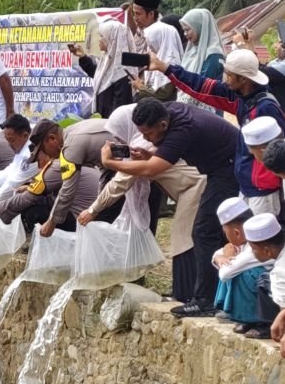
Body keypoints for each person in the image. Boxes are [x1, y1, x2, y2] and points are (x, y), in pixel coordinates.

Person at [100, 98, 240, 317]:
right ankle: (221, 294)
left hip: (229, 168)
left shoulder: (182, 129)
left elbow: (149, 170)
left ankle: (205, 301)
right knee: (217, 231)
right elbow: (159, 159)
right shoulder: (168, 113)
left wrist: (110, 163)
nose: (145, 139)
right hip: (219, 168)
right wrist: (150, 155)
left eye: (148, 135)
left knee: (203, 231)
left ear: (162, 125)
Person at [78, 103, 205, 303]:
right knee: (193, 238)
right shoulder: (146, 143)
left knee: (183, 239)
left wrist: (93, 210)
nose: (118, 141)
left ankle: (186, 295)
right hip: (190, 187)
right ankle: (192, 292)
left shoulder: (143, 142)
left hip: (194, 188)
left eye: (119, 135)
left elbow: (119, 183)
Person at [149, 48, 285, 215]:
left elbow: (279, 151)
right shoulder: (240, 97)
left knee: (262, 237)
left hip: (264, 189)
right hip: (247, 183)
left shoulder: (266, 107)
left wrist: (267, 181)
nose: (224, 78)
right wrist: (166, 68)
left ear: (243, 79)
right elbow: (203, 86)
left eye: (228, 74)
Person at [0, 150, 100, 233]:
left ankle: (38, 240)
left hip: (84, 221)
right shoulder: (65, 163)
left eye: (38, 159)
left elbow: (25, 199)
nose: (38, 165)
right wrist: (29, 187)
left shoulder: (55, 167)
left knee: (31, 210)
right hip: (93, 214)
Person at [28, 118, 117, 237]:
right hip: (122, 169)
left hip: (134, 166)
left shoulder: (71, 146)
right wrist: (97, 206)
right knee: (104, 220)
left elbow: (68, 188)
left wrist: (51, 223)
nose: (48, 155)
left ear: (52, 138)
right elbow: (105, 169)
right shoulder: (72, 133)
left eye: (44, 150)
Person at [212, 198, 273, 335]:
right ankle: (246, 319)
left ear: (236, 233)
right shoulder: (246, 240)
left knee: (244, 274)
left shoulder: (254, 246)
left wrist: (226, 259)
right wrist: (220, 257)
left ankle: (263, 322)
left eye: (226, 232)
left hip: (276, 288)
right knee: (235, 269)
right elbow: (220, 253)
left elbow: (225, 274)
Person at [70, 20, 134, 118]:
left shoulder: (122, 72)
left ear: (112, 39)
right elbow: (99, 75)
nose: (99, 40)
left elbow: (118, 112)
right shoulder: (108, 59)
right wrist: (83, 57)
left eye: (102, 36)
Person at [130, 0, 183, 92]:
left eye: (138, 14)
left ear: (151, 14)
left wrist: (143, 88)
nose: (135, 18)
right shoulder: (139, 33)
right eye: (133, 14)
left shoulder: (163, 32)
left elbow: (165, 91)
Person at [246, 214, 285, 344]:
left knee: (264, 280)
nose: (252, 253)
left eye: (253, 249)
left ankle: (266, 326)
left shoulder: (280, 271)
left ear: (267, 251)